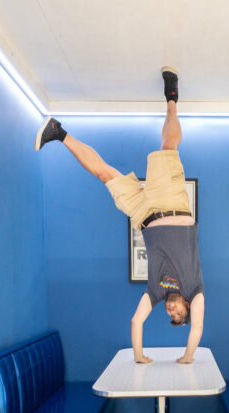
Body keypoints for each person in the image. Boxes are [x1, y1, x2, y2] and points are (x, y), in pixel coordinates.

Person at [35, 68, 204, 364]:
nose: (173, 312)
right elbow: (199, 326)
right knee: (168, 147)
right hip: (173, 206)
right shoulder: (195, 289)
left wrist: (139, 355)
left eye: (171, 316)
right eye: (180, 315)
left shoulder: (155, 291)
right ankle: (172, 96)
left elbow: (136, 321)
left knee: (105, 175)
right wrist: (188, 356)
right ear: (188, 306)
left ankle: (57, 131)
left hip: (145, 217)